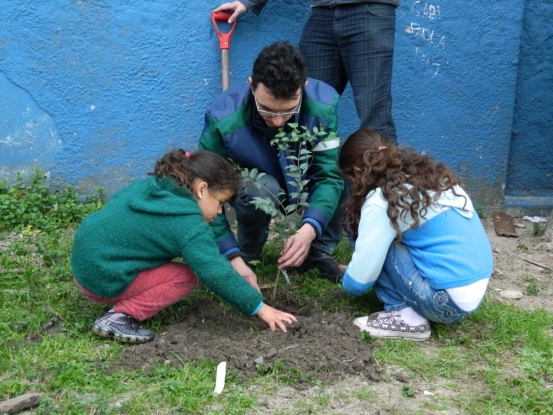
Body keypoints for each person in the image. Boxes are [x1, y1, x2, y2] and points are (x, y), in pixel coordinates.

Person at [71, 150, 297, 344]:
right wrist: (260, 307)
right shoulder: (186, 224)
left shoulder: (160, 186)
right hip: (104, 278)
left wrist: (235, 260)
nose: (220, 211)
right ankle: (118, 317)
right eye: (220, 203)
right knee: (185, 278)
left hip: (87, 260)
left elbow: (210, 221)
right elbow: (214, 271)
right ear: (201, 189)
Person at [199, 41, 345, 283]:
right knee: (262, 187)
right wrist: (230, 253)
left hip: (301, 183)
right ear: (251, 86)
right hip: (254, 188)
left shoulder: (323, 106)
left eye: (287, 111)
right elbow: (205, 192)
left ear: (303, 87)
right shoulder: (223, 117)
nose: (278, 122)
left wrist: (309, 229)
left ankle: (314, 252)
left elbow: (328, 175)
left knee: (352, 168)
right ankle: (246, 257)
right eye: (267, 110)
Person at [337, 129, 493, 341]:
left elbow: (357, 284)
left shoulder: (380, 200)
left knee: (368, 236)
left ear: (357, 171)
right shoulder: (429, 177)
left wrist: (353, 277)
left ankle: (405, 318)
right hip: (471, 295)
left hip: (443, 302)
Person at [214, 0, 398, 142]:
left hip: (370, 10)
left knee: (374, 114)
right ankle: (300, 185)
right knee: (305, 113)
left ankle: (389, 188)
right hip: (322, 11)